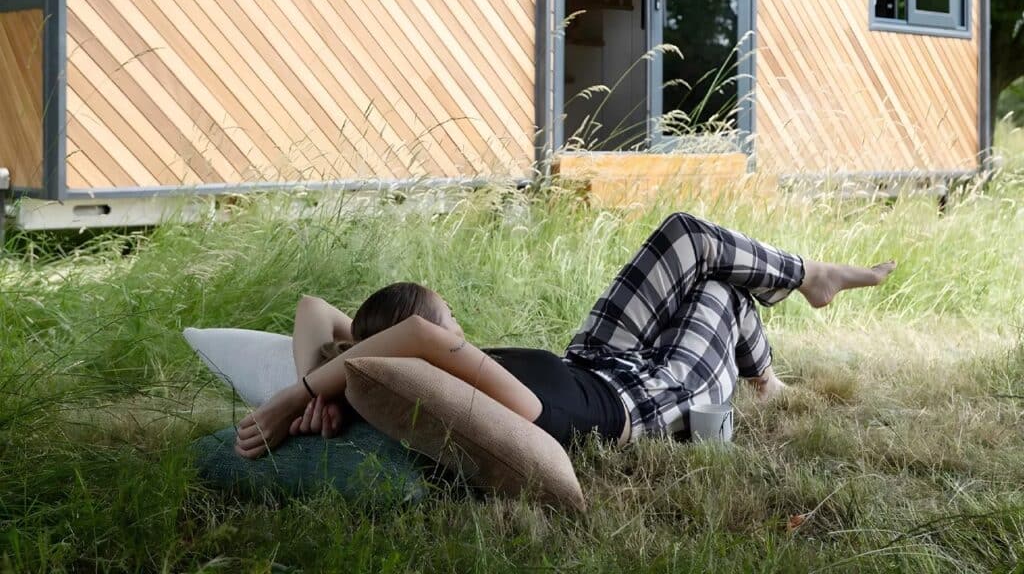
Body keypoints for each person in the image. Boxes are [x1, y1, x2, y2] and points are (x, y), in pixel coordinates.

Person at [235, 212, 895, 458]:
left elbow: (314, 308)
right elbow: (414, 338)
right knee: (717, 287)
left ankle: (799, 298)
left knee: (689, 240)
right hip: (651, 397)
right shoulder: (461, 395)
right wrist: (299, 398)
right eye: (453, 326)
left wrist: (320, 384)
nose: (461, 335)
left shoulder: (378, 376)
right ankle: (773, 360)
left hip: (597, 358)